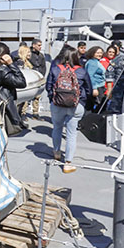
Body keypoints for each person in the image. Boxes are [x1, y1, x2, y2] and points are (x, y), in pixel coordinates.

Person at [46, 45, 92, 173]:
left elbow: (48, 86)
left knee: (57, 128)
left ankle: (56, 153)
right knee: (72, 134)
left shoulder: (55, 69)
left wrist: (53, 99)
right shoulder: (81, 71)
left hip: (57, 105)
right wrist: (82, 101)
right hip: (75, 106)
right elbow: (88, 89)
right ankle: (68, 163)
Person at [28, 39, 47, 120]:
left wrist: (41, 76)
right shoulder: (29, 54)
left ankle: (35, 113)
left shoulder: (41, 55)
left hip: (38, 78)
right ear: (33, 45)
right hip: (30, 78)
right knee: (27, 96)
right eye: (39, 45)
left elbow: (43, 66)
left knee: (37, 96)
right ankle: (22, 113)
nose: (40, 47)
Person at [15, 44, 34, 120]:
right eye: (28, 52)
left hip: (25, 86)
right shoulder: (20, 62)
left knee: (23, 104)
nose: (30, 54)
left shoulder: (26, 62)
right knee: (19, 105)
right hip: (21, 88)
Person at [84, 46, 106, 111]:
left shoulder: (96, 62)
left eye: (101, 53)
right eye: (97, 53)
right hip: (97, 87)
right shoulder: (92, 63)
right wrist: (94, 88)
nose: (99, 54)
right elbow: (90, 76)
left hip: (100, 86)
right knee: (98, 106)